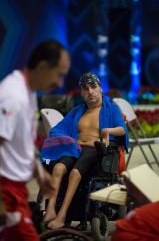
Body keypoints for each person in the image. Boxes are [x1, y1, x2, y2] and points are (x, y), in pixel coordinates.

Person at [0, 39, 71, 241]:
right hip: (5, 191)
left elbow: (25, 142)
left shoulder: (28, 91)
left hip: (15, 190)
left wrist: (39, 173)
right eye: (59, 74)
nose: (60, 83)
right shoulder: (11, 97)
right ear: (43, 66)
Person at [41, 72, 129, 230]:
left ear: (100, 88)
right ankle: (51, 210)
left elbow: (122, 130)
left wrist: (107, 131)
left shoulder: (111, 109)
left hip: (95, 149)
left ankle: (62, 215)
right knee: (58, 168)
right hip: (75, 149)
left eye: (93, 87)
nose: (90, 91)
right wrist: (65, 141)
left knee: (75, 173)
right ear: (81, 93)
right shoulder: (77, 112)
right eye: (86, 89)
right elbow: (57, 130)